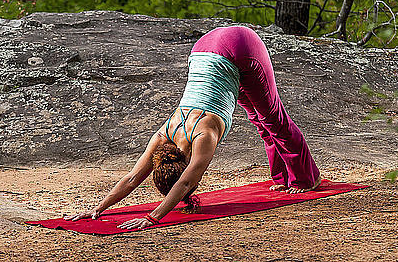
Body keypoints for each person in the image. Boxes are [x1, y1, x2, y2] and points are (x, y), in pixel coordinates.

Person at [64, 26, 320, 230]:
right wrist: (99, 208)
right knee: (258, 115)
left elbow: (186, 183)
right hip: (204, 49)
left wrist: (153, 217)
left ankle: (307, 179)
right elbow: (132, 178)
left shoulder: (204, 136)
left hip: (240, 45)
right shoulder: (164, 135)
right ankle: (282, 177)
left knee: (273, 117)